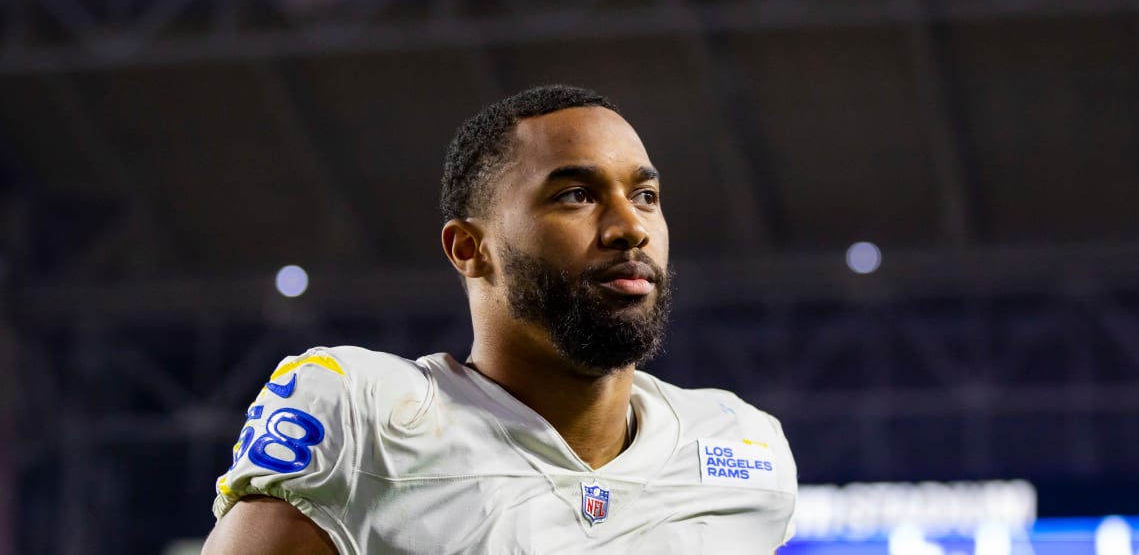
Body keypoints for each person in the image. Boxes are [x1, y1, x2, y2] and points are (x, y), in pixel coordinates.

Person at [202, 85, 798, 554]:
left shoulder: (743, 450)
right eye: (576, 195)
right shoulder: (369, 420)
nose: (630, 227)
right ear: (468, 248)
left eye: (644, 196)